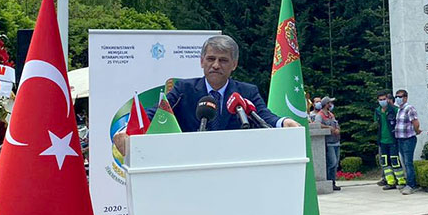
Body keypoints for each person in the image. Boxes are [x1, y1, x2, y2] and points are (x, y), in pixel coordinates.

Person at [114, 33, 299, 155]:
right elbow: (155, 114)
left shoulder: (246, 92)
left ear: (234, 64)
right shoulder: (183, 91)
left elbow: (265, 117)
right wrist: (124, 131)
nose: (216, 65)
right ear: (202, 61)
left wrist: (284, 123)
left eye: (223, 60)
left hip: (234, 168)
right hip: (191, 167)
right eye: (211, 59)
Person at [372, 91, 404, 190]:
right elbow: (376, 123)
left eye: (384, 99)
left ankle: (401, 181)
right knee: (385, 162)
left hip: (393, 140)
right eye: (380, 100)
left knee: (395, 161)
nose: (382, 101)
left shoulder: (394, 110)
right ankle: (390, 182)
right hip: (382, 140)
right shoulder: (377, 111)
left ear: (388, 99)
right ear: (378, 101)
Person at [392, 89, 421, 195]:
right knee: (404, 162)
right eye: (397, 97)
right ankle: (407, 183)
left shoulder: (409, 108)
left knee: (408, 163)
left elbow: (416, 122)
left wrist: (417, 131)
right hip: (400, 139)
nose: (398, 99)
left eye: (400, 96)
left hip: (408, 139)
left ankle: (411, 185)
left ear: (405, 97)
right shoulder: (400, 109)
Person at [315, 97, 341, 191]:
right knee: (332, 162)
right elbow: (317, 124)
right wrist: (328, 127)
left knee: (336, 163)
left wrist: (337, 129)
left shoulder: (331, 114)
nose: (331, 105)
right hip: (328, 142)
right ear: (326, 104)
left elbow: (336, 124)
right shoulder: (320, 115)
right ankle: (329, 181)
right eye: (330, 103)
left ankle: (333, 182)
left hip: (336, 141)